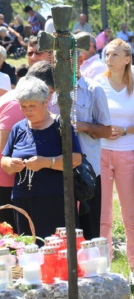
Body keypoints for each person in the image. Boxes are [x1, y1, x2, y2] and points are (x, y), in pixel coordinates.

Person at [95, 38, 134, 286]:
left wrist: (126, 130)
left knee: (131, 215)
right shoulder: (97, 83)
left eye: (115, 54)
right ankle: (102, 268)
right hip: (101, 154)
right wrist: (103, 131)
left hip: (128, 154)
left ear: (127, 59)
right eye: (107, 54)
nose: (109, 58)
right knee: (103, 215)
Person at [1, 76, 82, 241]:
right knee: (28, 248)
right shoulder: (18, 128)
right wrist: (10, 164)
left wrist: (46, 162)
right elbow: (4, 159)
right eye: (23, 107)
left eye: (32, 106)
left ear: (46, 102)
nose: (27, 111)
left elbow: (76, 159)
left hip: (55, 199)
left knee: (54, 248)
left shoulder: (60, 126)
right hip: (23, 200)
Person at [0, 62, 56, 230]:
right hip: (7, 183)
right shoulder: (18, 105)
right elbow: (2, 147)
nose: (50, 99)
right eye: (49, 93)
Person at [75, 58, 112, 240]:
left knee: (89, 232)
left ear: (79, 60)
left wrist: (84, 126)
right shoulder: (50, 90)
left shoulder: (93, 90)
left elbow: (106, 130)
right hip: (55, 169)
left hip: (86, 173)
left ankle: (90, 267)